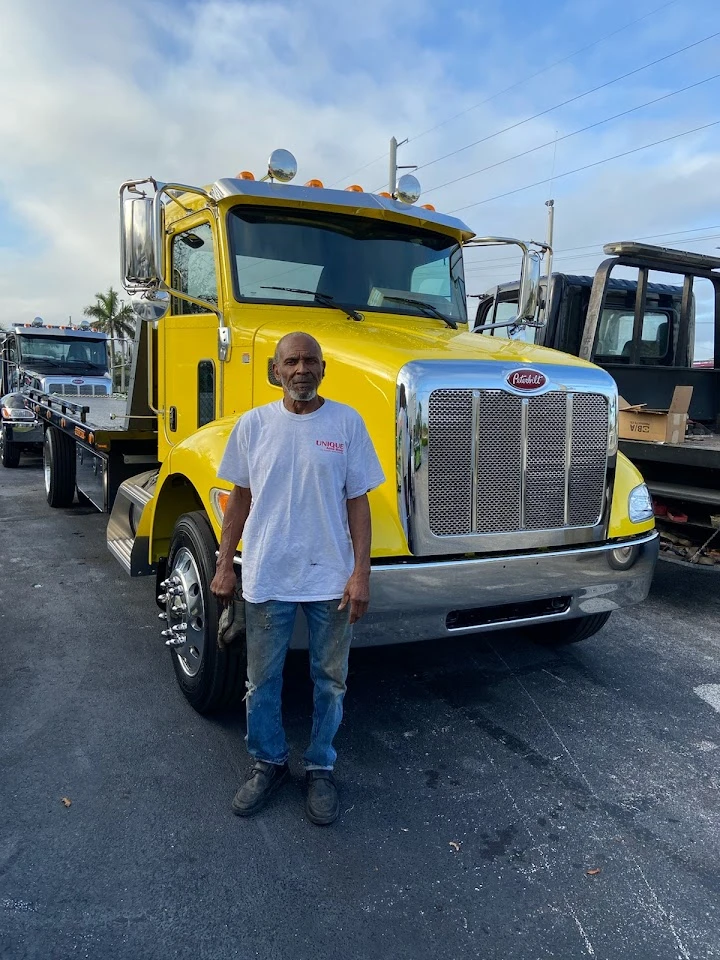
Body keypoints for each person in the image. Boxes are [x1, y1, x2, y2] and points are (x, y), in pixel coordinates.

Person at [210, 331, 385, 826]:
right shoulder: (253, 426)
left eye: (311, 361)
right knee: (261, 682)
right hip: (267, 574)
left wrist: (360, 574)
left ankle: (320, 766)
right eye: (292, 361)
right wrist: (225, 564)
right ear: (275, 370)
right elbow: (238, 501)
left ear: (323, 369)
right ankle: (268, 763)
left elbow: (359, 504)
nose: (301, 369)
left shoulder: (347, 423)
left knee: (329, 681)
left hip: (330, 579)